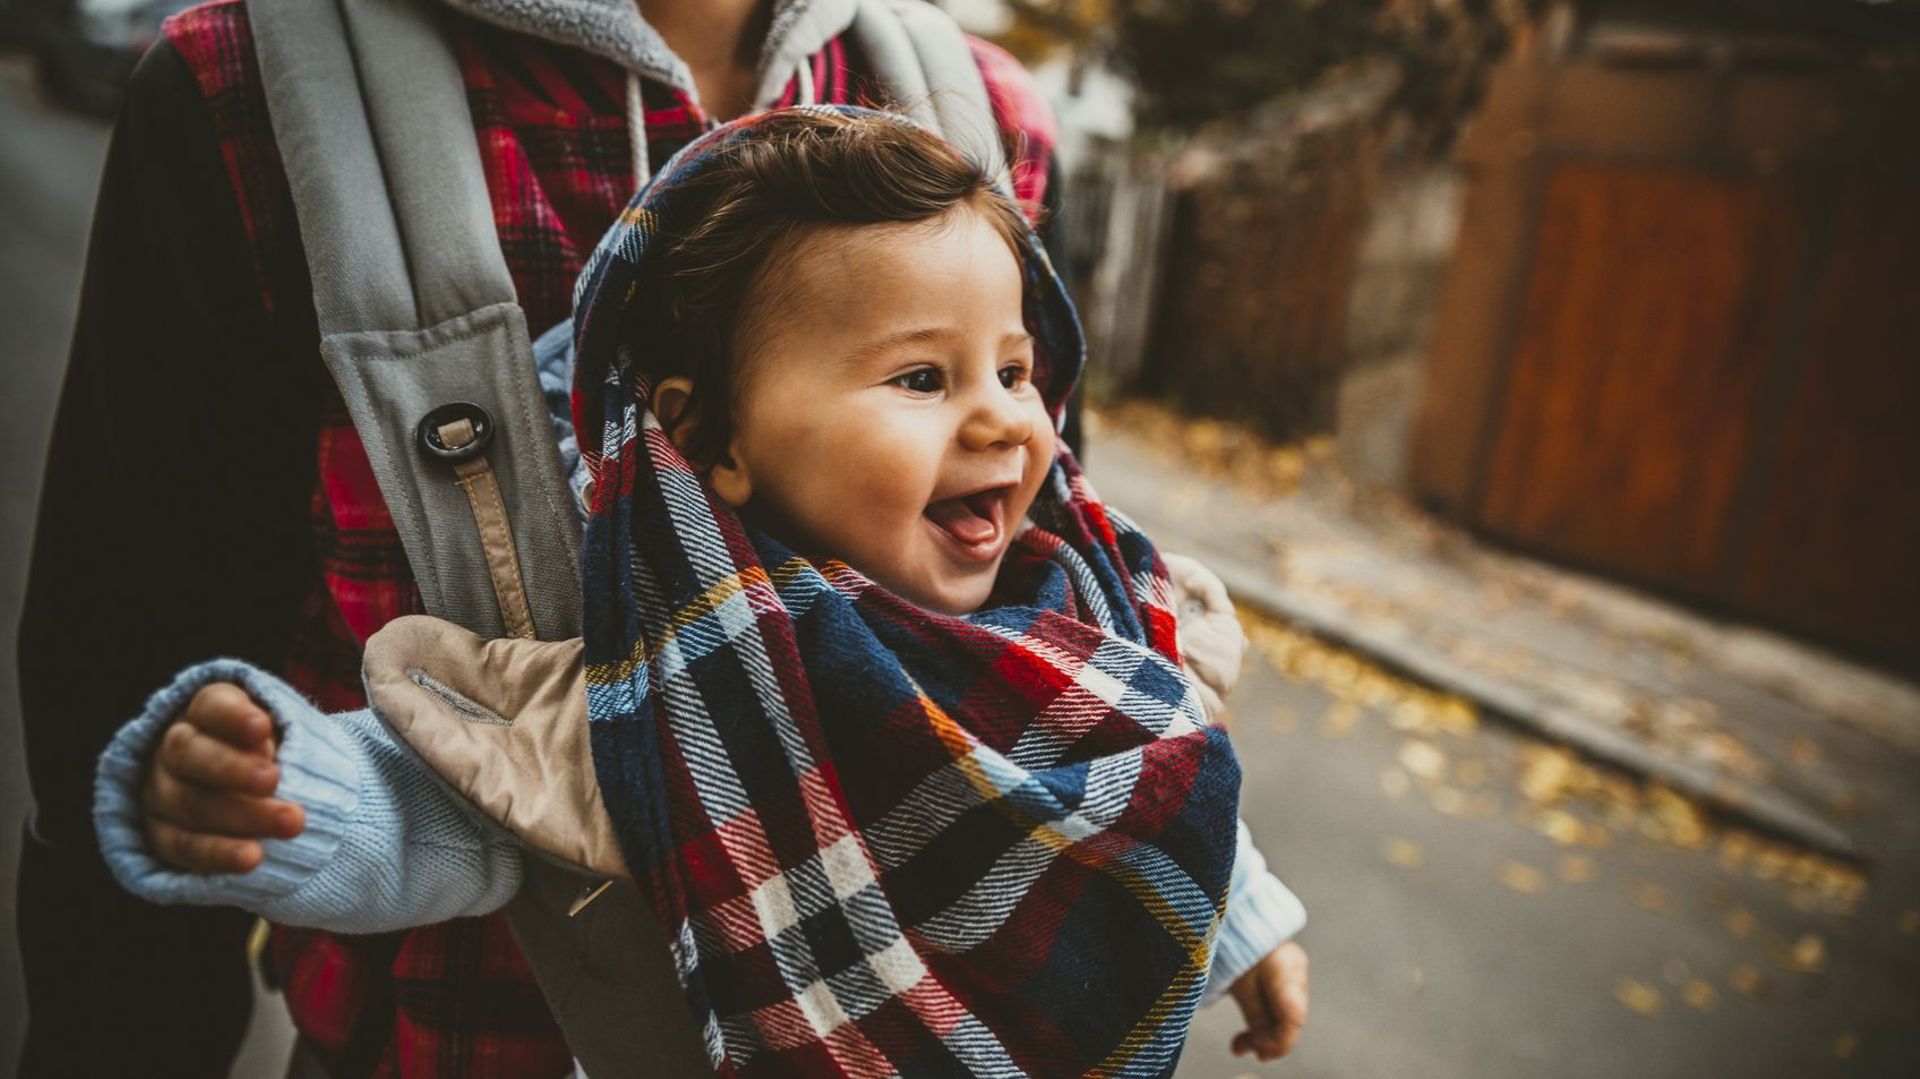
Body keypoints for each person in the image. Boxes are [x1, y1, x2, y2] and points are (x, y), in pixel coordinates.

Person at [20, 0, 1304, 1073]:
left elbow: (1093, 714)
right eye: (922, 378)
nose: (1007, 423)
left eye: (1019, 371)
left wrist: (1239, 911)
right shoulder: (255, 87)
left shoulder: (989, 118)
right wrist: (270, 786)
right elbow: (406, 782)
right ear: (697, 431)